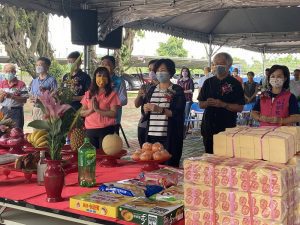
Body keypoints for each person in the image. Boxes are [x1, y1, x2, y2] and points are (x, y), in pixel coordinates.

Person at [198, 52, 245, 154]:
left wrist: (223, 104)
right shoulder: (208, 82)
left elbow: (240, 107)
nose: (217, 66)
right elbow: (200, 104)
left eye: (221, 63)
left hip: (226, 128)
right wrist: (207, 103)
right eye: (215, 64)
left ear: (229, 66)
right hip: (208, 127)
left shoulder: (235, 84)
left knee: (224, 158)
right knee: (209, 157)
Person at [143, 58, 186, 167]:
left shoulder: (177, 90)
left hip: (169, 136)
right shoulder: (152, 89)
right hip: (152, 134)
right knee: (152, 166)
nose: (159, 73)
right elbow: (145, 111)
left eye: (162, 70)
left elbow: (178, 112)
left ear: (170, 72)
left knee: (169, 167)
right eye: (157, 70)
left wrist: (160, 110)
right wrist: (145, 109)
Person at [80, 67, 121, 149]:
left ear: (108, 79)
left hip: (106, 130)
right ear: (95, 77)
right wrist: (91, 110)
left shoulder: (112, 94)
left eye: (105, 76)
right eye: (99, 75)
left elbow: (114, 114)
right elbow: (81, 112)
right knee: (91, 157)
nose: (101, 78)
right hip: (90, 130)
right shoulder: (88, 94)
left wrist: (98, 110)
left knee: (105, 157)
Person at [100, 55, 127, 134]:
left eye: (107, 64)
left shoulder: (119, 81)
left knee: (112, 144)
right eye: (102, 64)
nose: (104, 66)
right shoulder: (97, 81)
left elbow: (124, 100)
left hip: (113, 120)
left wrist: (109, 103)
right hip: (98, 120)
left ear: (114, 66)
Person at [135, 59, 159, 148]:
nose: (152, 72)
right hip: (144, 124)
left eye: (154, 70)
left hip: (157, 126)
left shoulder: (165, 88)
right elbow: (137, 104)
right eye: (150, 70)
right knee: (144, 151)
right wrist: (139, 95)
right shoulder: (145, 86)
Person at [0, 64, 28, 129]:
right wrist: (2, 96)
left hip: (17, 111)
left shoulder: (21, 84)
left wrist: (12, 96)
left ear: (14, 72)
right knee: (3, 131)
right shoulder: (1, 83)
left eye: (10, 71)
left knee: (17, 131)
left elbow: (24, 100)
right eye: (6, 71)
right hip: (4, 110)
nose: (8, 73)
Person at [177, 66, 194, 135]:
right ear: (181, 72)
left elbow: (191, 90)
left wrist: (182, 91)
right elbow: (177, 90)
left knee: (186, 115)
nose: (184, 72)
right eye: (183, 71)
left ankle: (185, 130)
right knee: (180, 114)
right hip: (180, 100)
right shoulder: (179, 80)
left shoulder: (190, 80)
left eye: (186, 71)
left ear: (188, 73)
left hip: (188, 100)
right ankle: (181, 129)